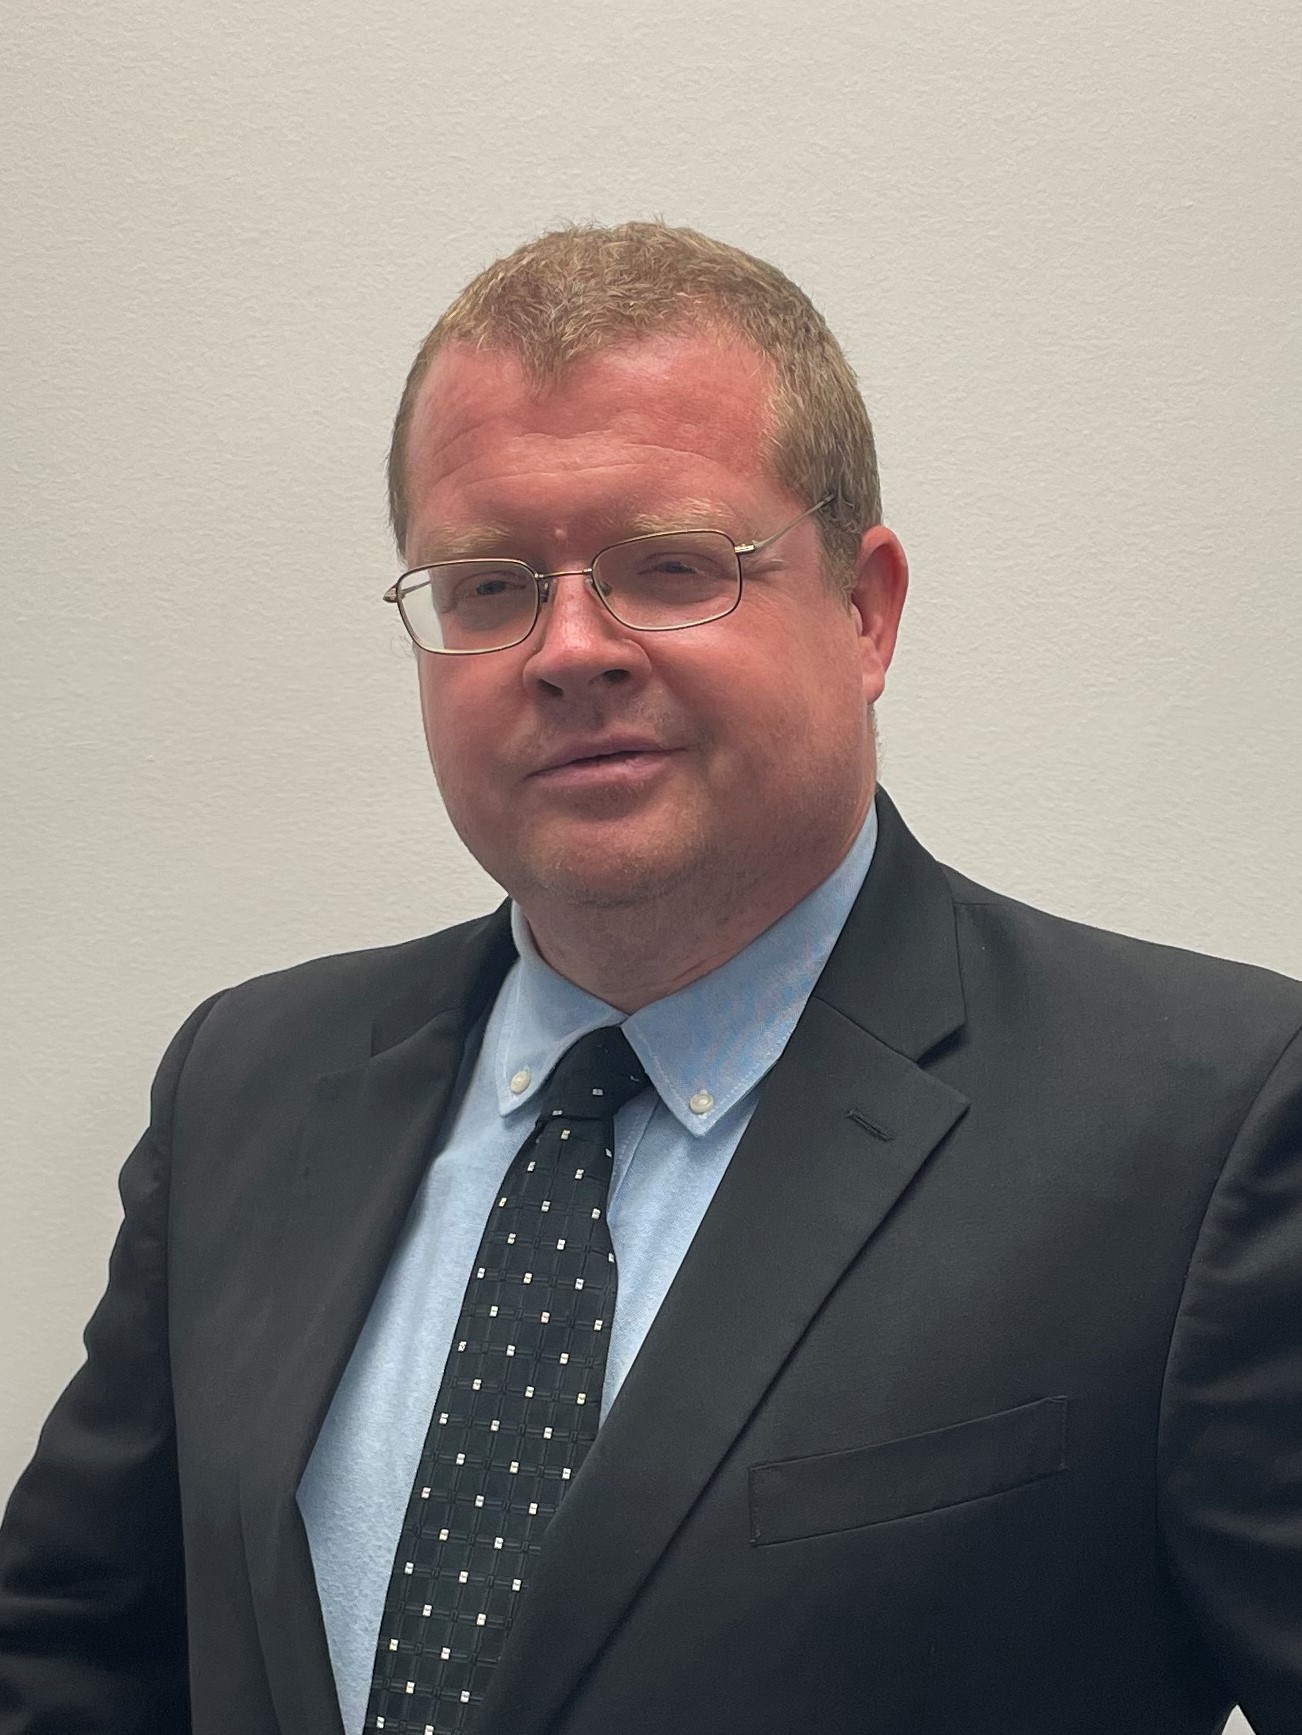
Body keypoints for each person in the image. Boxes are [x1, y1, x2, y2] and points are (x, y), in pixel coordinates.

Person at [0, 221, 1299, 1735]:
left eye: (671, 567)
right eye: (488, 587)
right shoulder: (248, 1085)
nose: (569, 649)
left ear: (866, 610)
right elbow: (74, 1657)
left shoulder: (1207, 1128)